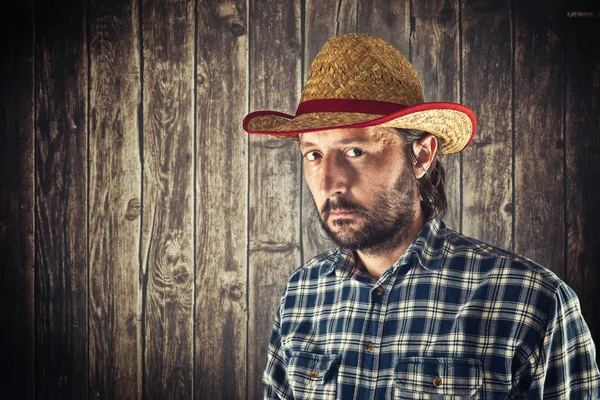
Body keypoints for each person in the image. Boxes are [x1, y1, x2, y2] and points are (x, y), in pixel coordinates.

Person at [243, 34, 600, 399]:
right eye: (314, 155)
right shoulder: (302, 293)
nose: (330, 183)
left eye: (355, 150)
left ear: (422, 156)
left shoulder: (531, 301)